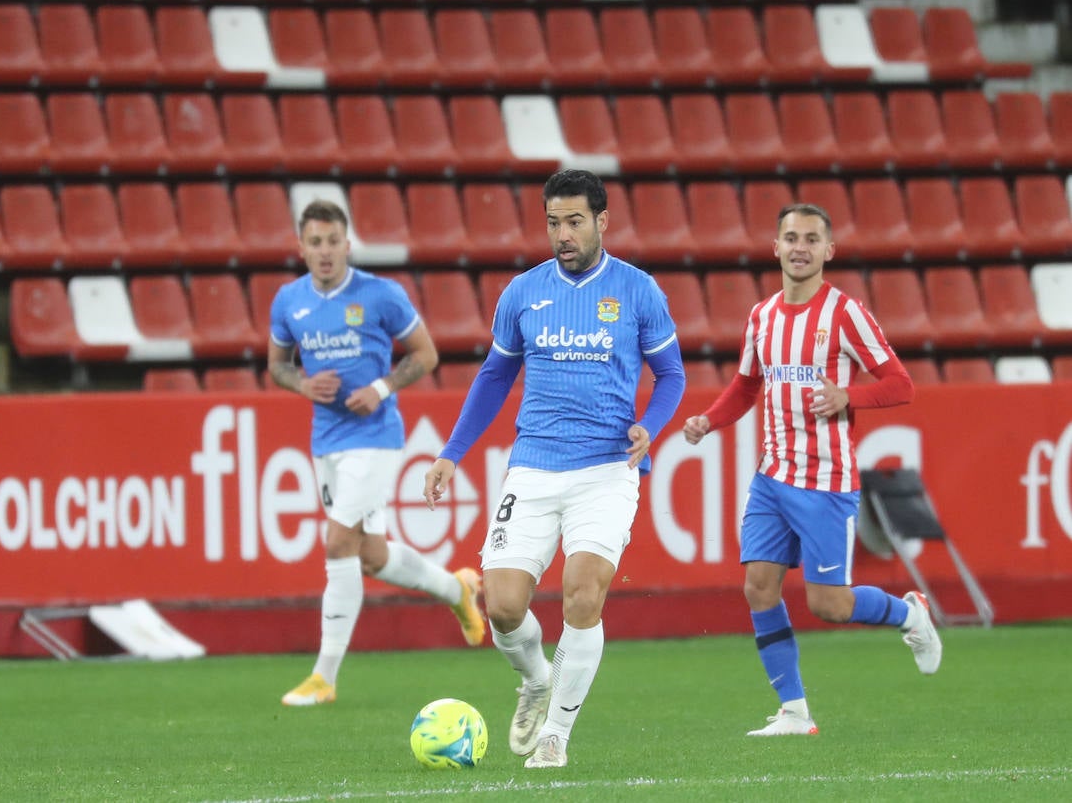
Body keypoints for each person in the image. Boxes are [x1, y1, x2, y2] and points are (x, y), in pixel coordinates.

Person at [423, 168, 687, 769]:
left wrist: (652, 424)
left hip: (606, 469)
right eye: (552, 223)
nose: (562, 234)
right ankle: (537, 678)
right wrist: (450, 452)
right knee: (505, 606)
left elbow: (672, 374)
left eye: (573, 222)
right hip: (534, 469)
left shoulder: (639, 290)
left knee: (581, 595)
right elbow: (494, 377)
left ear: (602, 222)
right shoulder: (523, 293)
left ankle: (557, 736)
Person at [682, 202, 941, 738]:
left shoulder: (845, 314)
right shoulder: (762, 316)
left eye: (811, 239)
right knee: (758, 587)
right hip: (772, 476)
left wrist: (850, 394)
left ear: (828, 251)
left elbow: (901, 384)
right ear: (775, 247)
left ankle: (912, 614)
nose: (800, 247)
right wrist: (710, 420)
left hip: (825, 482)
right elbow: (747, 386)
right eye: (791, 237)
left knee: (831, 605)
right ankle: (794, 711)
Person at [269, 199, 486, 707]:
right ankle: (457, 590)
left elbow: (426, 354)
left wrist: (383, 387)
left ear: (348, 244)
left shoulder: (380, 295)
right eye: (315, 243)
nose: (324, 252)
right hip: (327, 440)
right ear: (301, 248)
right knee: (369, 554)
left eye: (333, 241)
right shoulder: (289, 302)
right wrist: (302, 383)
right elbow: (278, 365)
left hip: (376, 436)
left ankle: (324, 677)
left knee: (337, 543)